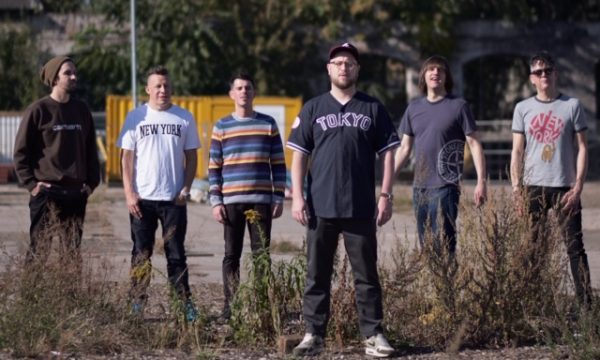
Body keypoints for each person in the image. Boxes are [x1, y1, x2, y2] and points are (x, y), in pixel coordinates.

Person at [287, 42, 400, 358]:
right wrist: (298, 197)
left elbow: (388, 155)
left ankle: (373, 335)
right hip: (319, 206)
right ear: (329, 68)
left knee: (366, 276)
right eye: (338, 62)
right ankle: (314, 334)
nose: (343, 67)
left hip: (360, 206)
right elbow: (298, 156)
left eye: (349, 63)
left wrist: (386, 195)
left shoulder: (372, 108)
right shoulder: (313, 108)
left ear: (357, 69)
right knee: (316, 274)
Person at [116, 65, 201, 321]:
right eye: (158, 86)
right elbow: (126, 159)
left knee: (176, 254)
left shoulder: (184, 118)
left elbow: (192, 157)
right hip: (143, 201)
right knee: (141, 254)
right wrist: (129, 193)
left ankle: (184, 306)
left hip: (173, 200)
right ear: (148, 89)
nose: (163, 90)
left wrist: (185, 188)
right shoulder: (136, 117)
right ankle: (137, 303)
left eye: (166, 85)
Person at [510, 51, 592, 305]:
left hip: (564, 187)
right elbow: (517, 151)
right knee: (532, 249)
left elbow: (583, 148)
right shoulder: (522, 108)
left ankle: (587, 311)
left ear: (555, 74)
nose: (543, 75)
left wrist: (578, 185)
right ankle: (532, 306)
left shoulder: (572, 106)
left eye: (547, 71)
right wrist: (516, 190)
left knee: (575, 249)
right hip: (532, 187)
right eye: (538, 72)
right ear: (531, 78)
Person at [208, 71, 286, 320]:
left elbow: (279, 164)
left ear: (254, 93)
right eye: (239, 88)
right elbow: (214, 167)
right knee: (231, 254)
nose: (244, 92)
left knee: (261, 254)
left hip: (261, 200)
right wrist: (215, 200)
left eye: (248, 88)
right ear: (231, 94)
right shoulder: (221, 126)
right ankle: (231, 306)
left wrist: (279, 196)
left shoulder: (268, 124)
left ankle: (262, 305)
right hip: (231, 202)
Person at [13, 55, 100, 272]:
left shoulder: (81, 110)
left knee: (71, 254)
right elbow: (20, 153)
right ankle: (30, 301)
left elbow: (91, 150)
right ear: (54, 79)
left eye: (74, 72)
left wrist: (91, 184)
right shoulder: (38, 110)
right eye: (67, 73)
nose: (74, 77)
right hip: (47, 193)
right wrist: (32, 185)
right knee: (38, 251)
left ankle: (70, 303)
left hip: (75, 194)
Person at [394, 55, 486, 255]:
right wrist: (387, 180)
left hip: (446, 187)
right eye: (431, 69)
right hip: (420, 188)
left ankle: (447, 285)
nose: (436, 73)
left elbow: (474, 144)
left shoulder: (459, 106)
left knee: (445, 246)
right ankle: (432, 285)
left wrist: (481, 181)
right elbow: (404, 148)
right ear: (423, 76)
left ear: (446, 77)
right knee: (426, 247)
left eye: (440, 70)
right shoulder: (413, 108)